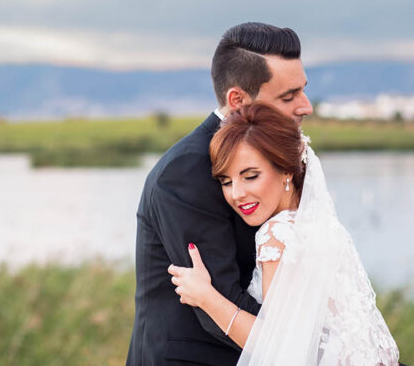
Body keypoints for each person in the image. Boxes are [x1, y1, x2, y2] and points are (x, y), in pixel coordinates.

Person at [127, 22, 313, 365]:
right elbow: (219, 304)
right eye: (288, 97)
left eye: (302, 91)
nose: (306, 106)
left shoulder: (283, 159)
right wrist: (325, 350)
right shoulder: (186, 171)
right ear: (237, 100)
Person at [168, 102, 400, 365]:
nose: (236, 194)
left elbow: (279, 345)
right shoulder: (321, 226)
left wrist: (205, 297)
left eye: (250, 176)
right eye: (226, 181)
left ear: (286, 170)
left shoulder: (276, 234)